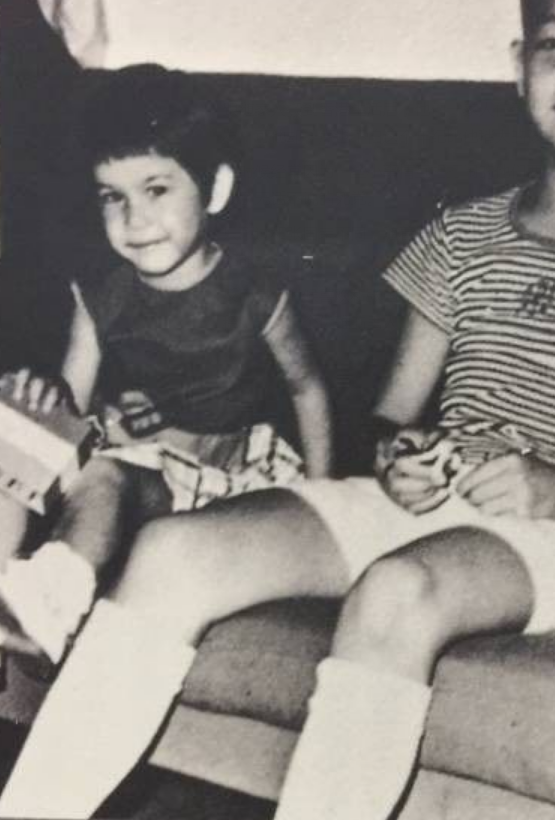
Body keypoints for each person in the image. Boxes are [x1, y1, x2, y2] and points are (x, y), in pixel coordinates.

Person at [0, 0, 555, 820]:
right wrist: (403, 456)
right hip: (430, 506)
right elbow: (390, 420)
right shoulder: (462, 232)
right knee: (174, 550)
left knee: (398, 591)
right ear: (518, 64)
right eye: (554, 43)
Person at [0, 64, 333, 666]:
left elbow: (307, 389)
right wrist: (39, 399)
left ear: (215, 190)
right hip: (141, 469)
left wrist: (323, 496)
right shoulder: (101, 298)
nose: (134, 220)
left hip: (226, 480)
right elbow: (71, 409)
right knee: (12, 423)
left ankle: (51, 598)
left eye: (156, 190)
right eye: (113, 197)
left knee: (106, 475)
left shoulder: (253, 296)